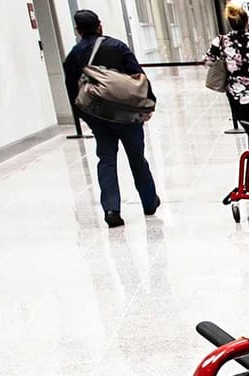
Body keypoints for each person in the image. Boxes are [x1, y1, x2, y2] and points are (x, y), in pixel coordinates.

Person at [62, 9, 160, 227]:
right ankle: (149, 201)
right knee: (137, 158)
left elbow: (72, 90)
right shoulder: (117, 46)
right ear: (100, 26)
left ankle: (111, 208)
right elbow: (139, 76)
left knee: (106, 160)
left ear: (78, 30)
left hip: (98, 115)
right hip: (127, 114)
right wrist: (149, 103)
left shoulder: (75, 54)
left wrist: (83, 116)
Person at [207, 3, 249, 182]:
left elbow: (208, 60)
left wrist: (228, 63)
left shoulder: (220, 42)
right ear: (246, 22)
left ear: (230, 23)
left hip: (236, 97)